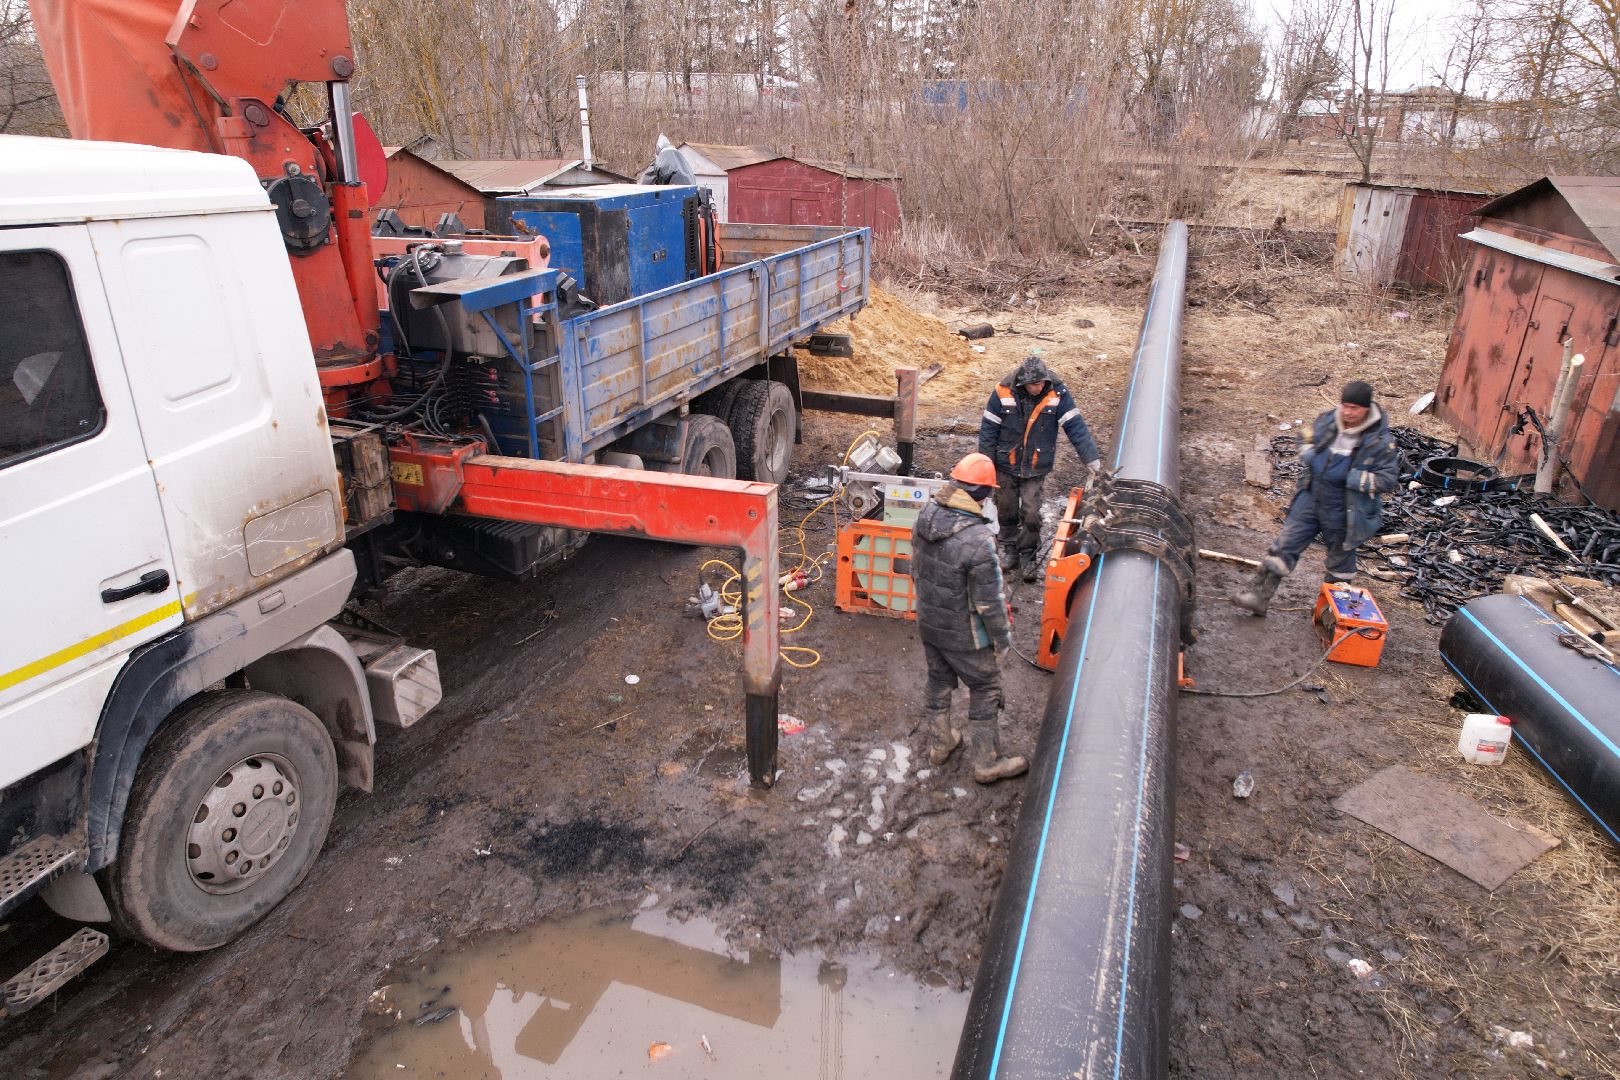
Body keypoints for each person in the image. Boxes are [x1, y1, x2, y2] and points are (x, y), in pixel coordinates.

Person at [1234, 380, 1400, 615]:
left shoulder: (1380, 443)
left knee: (1340, 565)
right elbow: (1304, 436)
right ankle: (1258, 597)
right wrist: (1309, 453)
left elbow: (1388, 479)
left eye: (1354, 408)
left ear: (1366, 408)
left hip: (1346, 509)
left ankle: (1328, 614)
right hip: (1312, 496)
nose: (1348, 412)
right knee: (1284, 545)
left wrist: (1353, 478)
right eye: (1345, 406)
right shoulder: (1328, 420)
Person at [910, 452, 1028, 784]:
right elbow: (990, 603)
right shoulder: (979, 540)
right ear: (984, 494)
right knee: (986, 685)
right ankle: (987, 762)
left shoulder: (925, 515)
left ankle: (941, 743)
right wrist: (1002, 641)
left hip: (929, 625)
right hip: (964, 635)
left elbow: (916, 571)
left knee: (938, 680)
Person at [978, 352, 1102, 582]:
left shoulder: (1057, 393)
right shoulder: (1002, 391)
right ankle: (1008, 548)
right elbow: (988, 430)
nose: (1038, 388)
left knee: (1031, 511)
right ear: (1023, 383)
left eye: (1041, 383)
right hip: (1005, 462)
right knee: (1005, 508)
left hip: (1036, 466)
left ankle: (1028, 554)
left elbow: (1076, 427)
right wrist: (985, 463)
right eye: (1033, 385)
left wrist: (1091, 460)